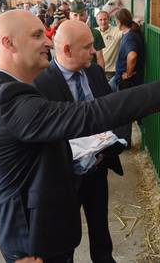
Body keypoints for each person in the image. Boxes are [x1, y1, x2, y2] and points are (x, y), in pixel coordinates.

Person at [0, 10, 160, 262]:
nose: (46, 41)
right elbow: (92, 113)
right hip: (32, 243)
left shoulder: (9, 92)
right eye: (36, 36)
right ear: (8, 43)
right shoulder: (8, 100)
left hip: (44, 232)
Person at [33, 20, 124, 263]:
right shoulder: (41, 83)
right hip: (64, 176)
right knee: (64, 237)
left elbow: (111, 111)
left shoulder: (94, 72)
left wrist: (106, 147)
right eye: (88, 47)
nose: (94, 51)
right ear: (66, 50)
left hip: (97, 167)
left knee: (100, 228)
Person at [112, 8, 145, 147]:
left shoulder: (130, 36)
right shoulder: (130, 32)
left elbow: (132, 55)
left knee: (123, 112)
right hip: (122, 78)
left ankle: (123, 142)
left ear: (119, 22)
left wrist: (128, 73)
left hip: (127, 80)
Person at [69, 0, 106, 69]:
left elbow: (99, 58)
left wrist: (101, 76)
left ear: (86, 15)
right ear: (70, 16)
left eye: (81, 15)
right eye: (75, 15)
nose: (79, 18)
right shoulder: (66, 34)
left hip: (91, 73)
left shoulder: (95, 33)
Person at [95, 10, 122, 81]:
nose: (103, 22)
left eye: (105, 19)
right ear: (97, 21)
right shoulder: (94, 32)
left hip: (111, 72)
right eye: (100, 20)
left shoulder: (117, 30)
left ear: (109, 20)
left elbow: (127, 28)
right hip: (97, 71)